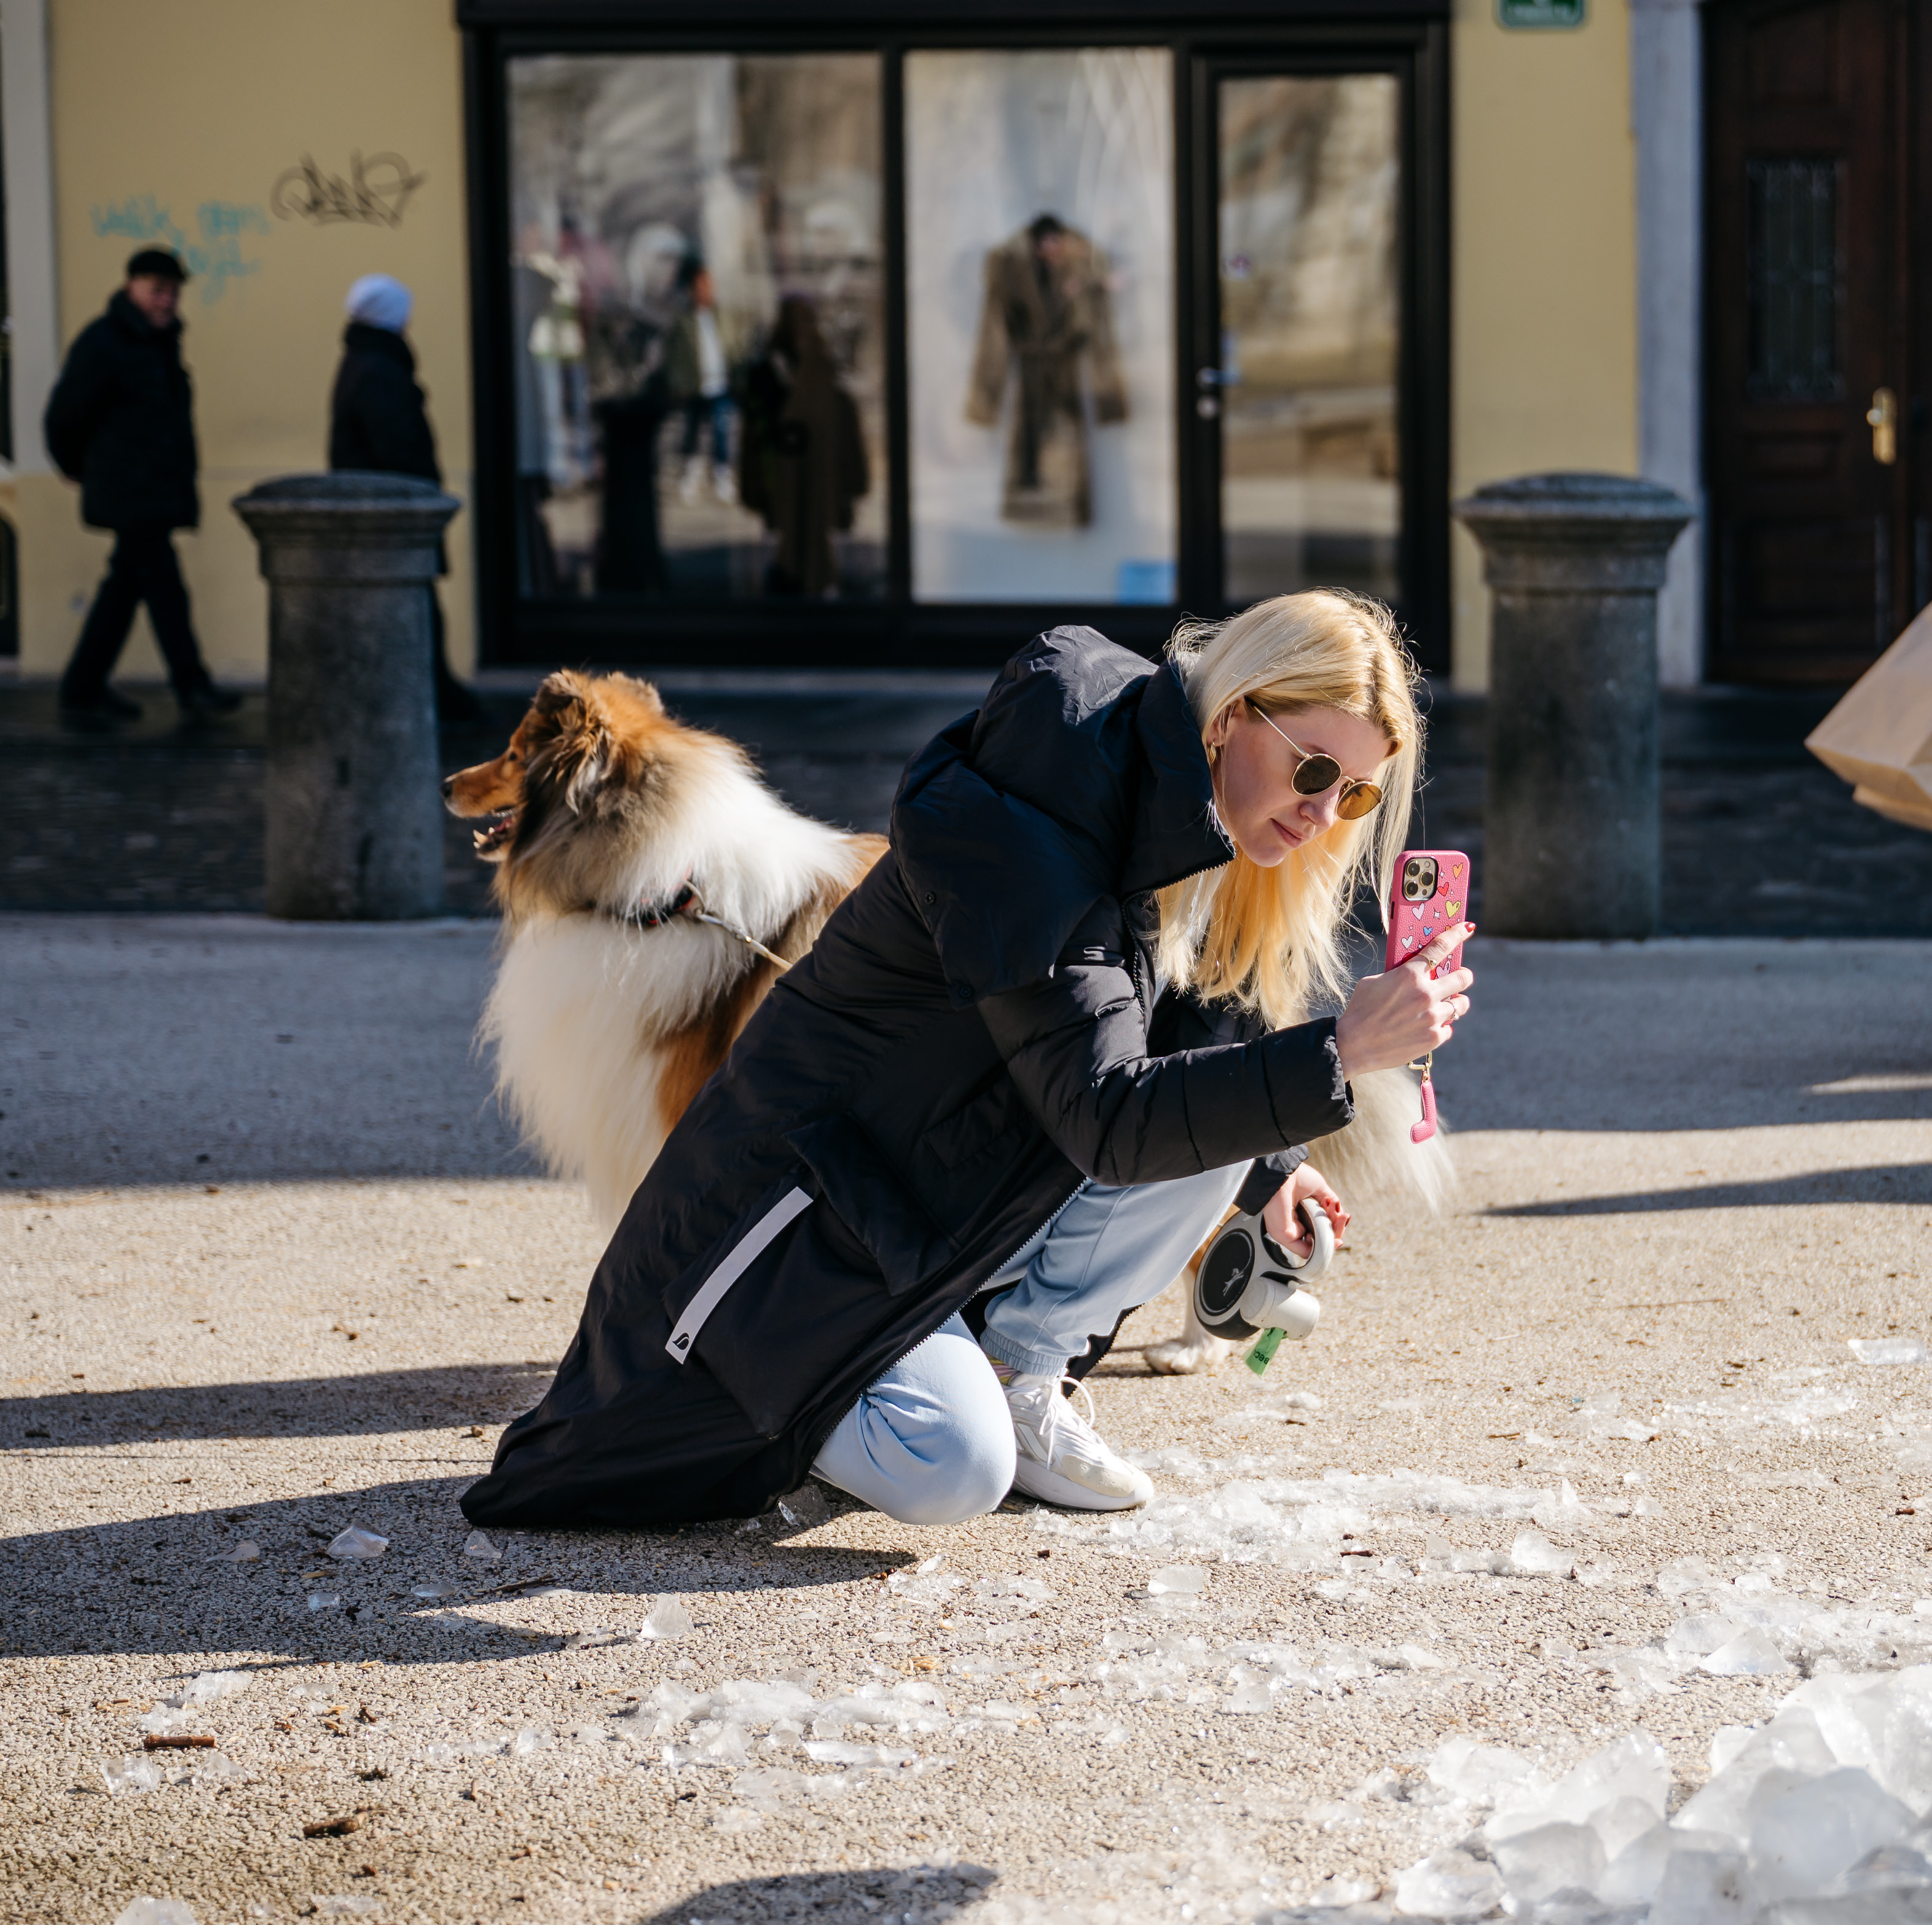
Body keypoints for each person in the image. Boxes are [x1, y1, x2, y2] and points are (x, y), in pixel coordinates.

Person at [462, 590, 1469, 1530]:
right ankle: (897, 1399)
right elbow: (1108, 1112)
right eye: (1313, 771)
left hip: (925, 1224)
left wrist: (1269, 1171)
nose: (1325, 813)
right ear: (1231, 717)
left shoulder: (1170, 819)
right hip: (787, 1245)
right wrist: (1340, 1048)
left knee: (1246, 1111)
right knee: (951, 1467)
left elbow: (1142, 1045)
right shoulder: (1041, 812)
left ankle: (1017, 1372)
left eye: (1357, 792)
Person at [42, 247, 238, 732]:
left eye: (173, 292)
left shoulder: (159, 341)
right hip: (128, 490)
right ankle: (191, 683)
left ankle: (83, 686)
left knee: (125, 588)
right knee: (165, 587)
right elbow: (63, 415)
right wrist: (75, 467)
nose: (166, 300)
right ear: (132, 285)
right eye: (158, 290)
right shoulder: (104, 341)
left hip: (152, 488)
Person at [327, 273, 481, 723]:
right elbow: (397, 446)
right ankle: (440, 697)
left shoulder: (364, 361)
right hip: (395, 515)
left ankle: (440, 694)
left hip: (386, 511)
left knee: (413, 606)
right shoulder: (379, 369)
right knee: (415, 607)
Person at [738, 296, 868, 595]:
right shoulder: (772, 372)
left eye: (808, 321)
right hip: (786, 468)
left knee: (810, 534)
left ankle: (804, 582)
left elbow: (842, 426)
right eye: (799, 322)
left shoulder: (821, 369)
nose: (805, 330)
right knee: (796, 534)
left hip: (814, 467)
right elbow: (756, 431)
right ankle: (797, 581)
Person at [666, 255, 744, 504]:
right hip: (695, 384)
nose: (705, 291)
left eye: (708, 286)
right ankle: (692, 473)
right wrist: (678, 384)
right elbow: (676, 356)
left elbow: (732, 347)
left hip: (719, 382)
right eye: (701, 286)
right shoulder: (684, 321)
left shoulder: (722, 317)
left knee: (722, 429)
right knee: (692, 430)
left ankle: (722, 474)